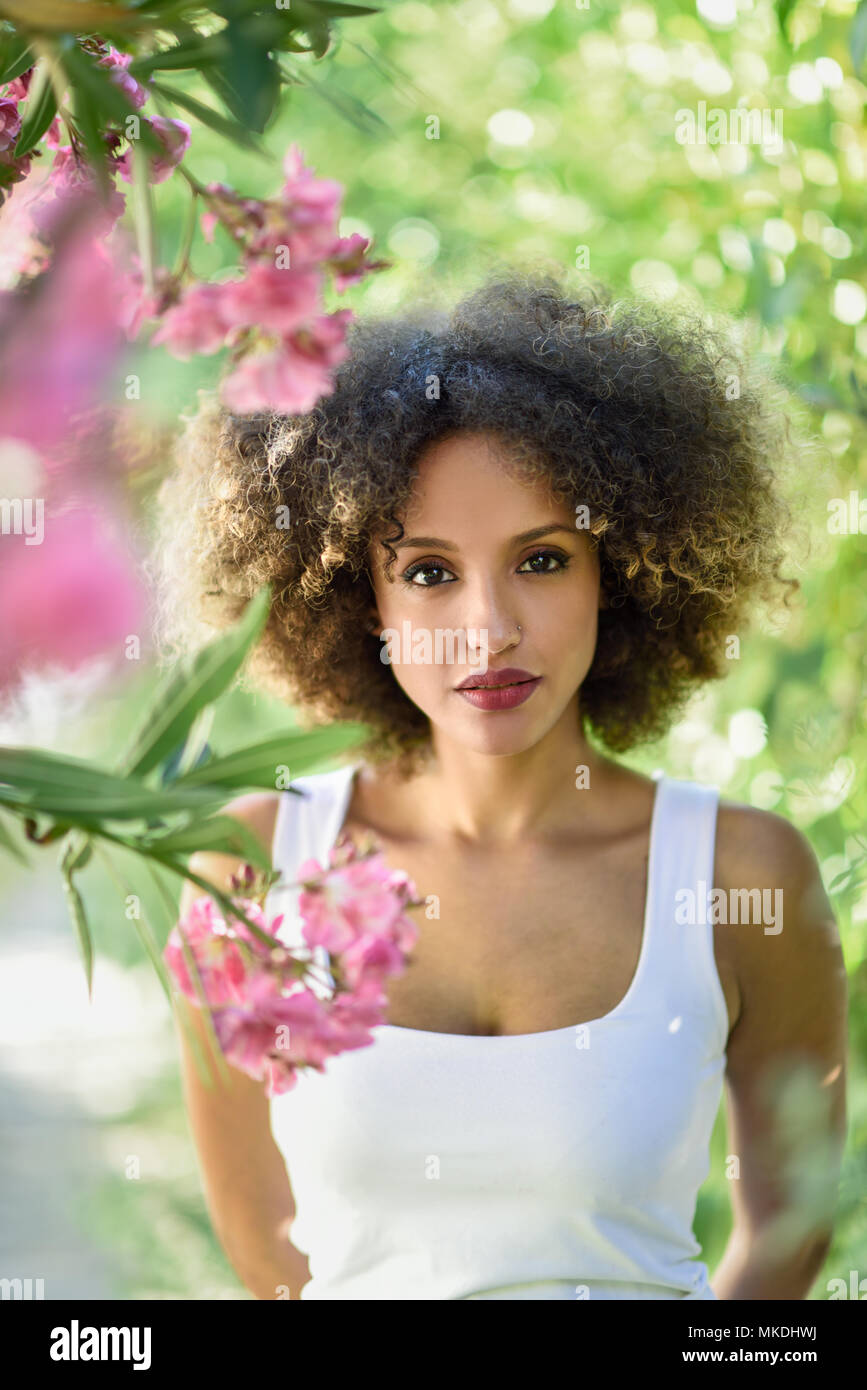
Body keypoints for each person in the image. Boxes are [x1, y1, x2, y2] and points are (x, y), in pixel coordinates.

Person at [156, 268, 848, 1300]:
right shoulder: (249, 871)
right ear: (362, 599)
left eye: (542, 559)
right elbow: (267, 1249)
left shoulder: (744, 873)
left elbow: (793, 1228)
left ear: (619, 569)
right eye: (430, 572)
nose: (490, 627)